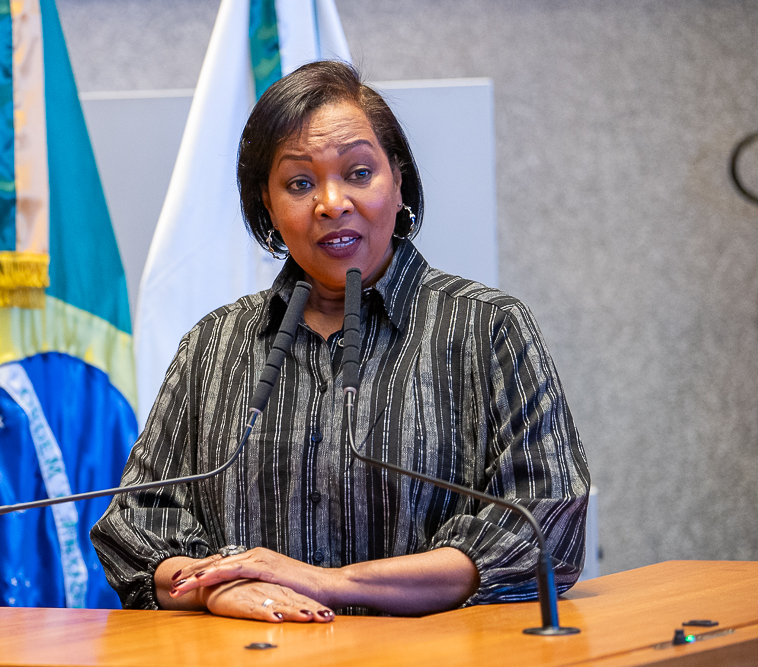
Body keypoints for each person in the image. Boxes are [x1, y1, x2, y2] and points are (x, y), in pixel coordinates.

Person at [91, 61, 590, 623]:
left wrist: (330, 584)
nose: (331, 202)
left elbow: (544, 527)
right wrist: (214, 587)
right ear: (267, 205)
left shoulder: (487, 328)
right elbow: (136, 526)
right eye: (300, 184)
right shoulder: (213, 346)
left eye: (358, 173)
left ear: (398, 181)